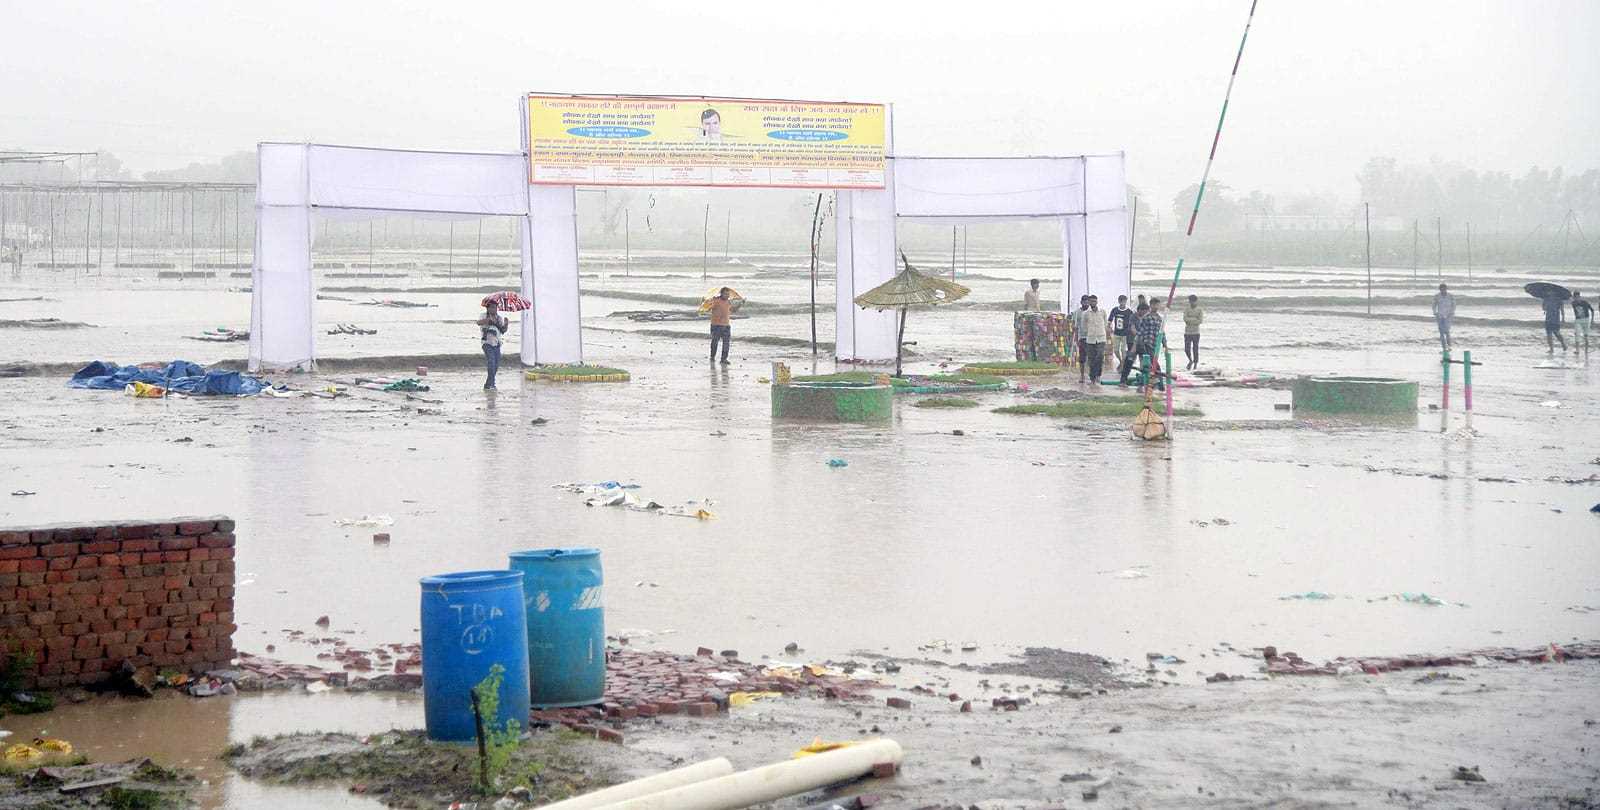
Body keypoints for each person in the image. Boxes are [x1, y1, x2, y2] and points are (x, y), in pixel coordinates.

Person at [477, 301, 508, 390]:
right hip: (487, 343)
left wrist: (506, 324)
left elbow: (503, 330)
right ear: (487, 308)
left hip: (497, 343)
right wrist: (487, 321)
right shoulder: (484, 315)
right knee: (491, 363)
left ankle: (488, 384)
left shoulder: (499, 318)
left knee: (496, 365)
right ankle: (492, 384)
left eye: (494, 307)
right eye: (491, 307)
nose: (493, 309)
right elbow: (478, 322)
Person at [1082, 295, 1107, 383]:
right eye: (1091, 301)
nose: (1093, 303)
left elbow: (1105, 323)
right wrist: (1089, 332)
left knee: (1100, 356)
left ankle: (1098, 374)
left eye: (1094, 301)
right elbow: (1084, 327)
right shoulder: (1085, 313)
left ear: (1097, 302)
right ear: (1089, 302)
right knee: (1091, 358)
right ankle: (1092, 377)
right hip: (1090, 339)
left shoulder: (1102, 311)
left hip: (1101, 338)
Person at [708, 287, 733, 364]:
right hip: (716, 325)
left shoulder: (729, 302)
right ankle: (712, 356)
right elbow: (708, 308)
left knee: (726, 343)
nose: (727, 295)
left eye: (728, 294)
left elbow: (733, 310)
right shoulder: (716, 301)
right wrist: (705, 302)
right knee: (715, 342)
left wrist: (741, 304)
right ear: (721, 293)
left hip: (726, 325)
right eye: (726, 294)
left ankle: (724, 359)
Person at [1108, 295, 1135, 367]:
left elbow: (1132, 323)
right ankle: (1121, 361)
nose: (1122, 303)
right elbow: (1110, 320)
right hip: (1116, 333)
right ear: (1119, 301)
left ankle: (1123, 364)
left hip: (1125, 334)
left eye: (1124, 301)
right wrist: (1110, 328)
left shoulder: (1129, 312)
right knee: (1116, 350)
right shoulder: (1115, 310)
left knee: (1123, 350)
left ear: (1126, 302)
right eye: (1121, 301)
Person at [1183, 294, 1204, 371]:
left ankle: (1195, 363)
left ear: (1196, 301)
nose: (1191, 303)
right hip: (1187, 332)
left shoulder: (1200, 310)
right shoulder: (1187, 309)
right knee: (1186, 349)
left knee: (1195, 349)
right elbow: (1185, 319)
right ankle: (1190, 360)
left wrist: (1190, 320)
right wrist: (1194, 319)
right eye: (1190, 301)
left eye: (1193, 301)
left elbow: (1200, 321)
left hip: (1196, 332)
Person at [1072, 295, 1091, 382]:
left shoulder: (1091, 311)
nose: (1086, 303)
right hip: (1082, 337)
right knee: (1082, 358)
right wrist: (1076, 339)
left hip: (1091, 337)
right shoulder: (1077, 313)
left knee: (1091, 357)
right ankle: (1082, 375)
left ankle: (1092, 375)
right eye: (1084, 302)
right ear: (1081, 302)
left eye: (1087, 302)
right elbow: (1075, 327)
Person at [1432, 283, 1455, 352]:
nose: (1443, 290)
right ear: (1440, 289)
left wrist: (1451, 312)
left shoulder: (1450, 296)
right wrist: (1435, 312)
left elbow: (1453, 305)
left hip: (1448, 316)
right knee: (1441, 332)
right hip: (1440, 316)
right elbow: (1434, 305)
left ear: (1446, 289)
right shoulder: (1437, 296)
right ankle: (1444, 347)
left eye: (1444, 289)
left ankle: (1449, 346)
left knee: (1447, 331)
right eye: (1441, 289)